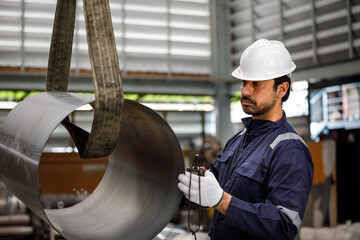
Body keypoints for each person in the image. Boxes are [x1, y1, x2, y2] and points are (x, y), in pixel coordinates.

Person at [178, 39, 314, 240]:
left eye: (256, 84)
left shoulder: (290, 150)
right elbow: (206, 186)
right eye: (244, 83)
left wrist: (222, 201)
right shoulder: (238, 140)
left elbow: (283, 227)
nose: (245, 91)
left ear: (282, 89)